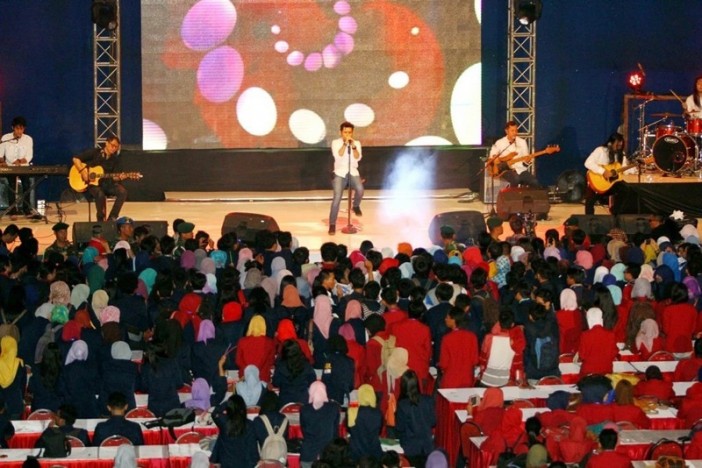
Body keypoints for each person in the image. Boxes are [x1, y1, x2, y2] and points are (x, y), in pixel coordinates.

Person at [71, 135, 127, 222]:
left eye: (116, 147)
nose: (114, 148)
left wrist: (119, 178)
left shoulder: (115, 160)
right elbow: (76, 159)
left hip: (107, 184)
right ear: (106, 143)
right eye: (112, 145)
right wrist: (83, 172)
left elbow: (114, 178)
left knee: (122, 192)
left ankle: (112, 218)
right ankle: (100, 219)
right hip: (92, 185)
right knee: (100, 194)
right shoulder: (95, 152)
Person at [328, 121, 364, 235]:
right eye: (345, 132)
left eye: (349, 132)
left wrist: (353, 147)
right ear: (341, 132)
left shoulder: (356, 143)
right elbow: (338, 156)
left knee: (360, 189)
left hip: (352, 171)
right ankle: (332, 224)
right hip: (340, 172)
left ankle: (355, 206)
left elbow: (358, 158)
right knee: (337, 197)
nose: (347, 134)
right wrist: (344, 144)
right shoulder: (335, 142)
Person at [583, 132, 631, 215]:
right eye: (617, 145)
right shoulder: (600, 150)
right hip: (597, 182)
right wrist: (603, 171)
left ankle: (615, 212)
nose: (618, 148)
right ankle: (589, 219)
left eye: (620, 146)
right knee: (590, 201)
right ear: (610, 143)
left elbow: (624, 169)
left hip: (610, 184)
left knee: (626, 190)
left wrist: (635, 166)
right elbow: (588, 163)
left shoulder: (620, 155)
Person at [0, 116, 36, 217]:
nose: (19, 131)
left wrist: (19, 162)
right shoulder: (5, 138)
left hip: (23, 167)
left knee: (26, 185)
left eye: (22, 129)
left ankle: (27, 209)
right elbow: (0, 155)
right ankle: (12, 211)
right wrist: (3, 163)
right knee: (11, 186)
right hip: (10, 168)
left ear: (24, 129)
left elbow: (29, 156)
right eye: (17, 128)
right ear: (13, 128)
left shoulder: (28, 139)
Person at [488, 120, 540, 188]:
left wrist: (527, 161)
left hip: (520, 169)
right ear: (506, 131)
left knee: (534, 181)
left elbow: (525, 161)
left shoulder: (522, 142)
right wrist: (506, 158)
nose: (515, 133)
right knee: (515, 179)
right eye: (512, 131)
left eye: (516, 130)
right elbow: (492, 158)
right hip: (505, 170)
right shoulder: (500, 142)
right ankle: (511, 195)